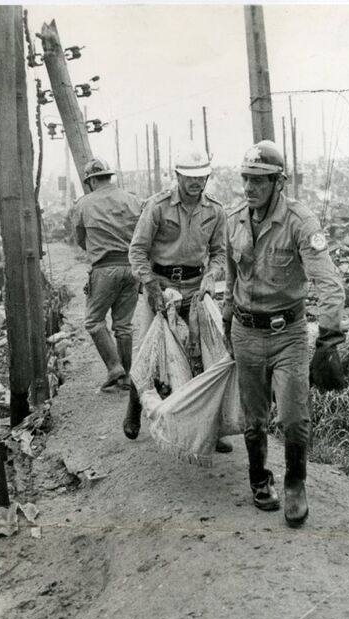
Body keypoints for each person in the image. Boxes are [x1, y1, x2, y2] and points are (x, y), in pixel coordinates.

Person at [222, 140, 346, 528]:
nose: (249, 187)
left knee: (293, 416)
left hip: (288, 334)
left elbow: (329, 282)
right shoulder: (235, 219)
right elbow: (231, 277)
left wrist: (329, 335)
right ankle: (260, 481)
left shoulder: (299, 221)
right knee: (254, 419)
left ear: (279, 182)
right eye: (246, 178)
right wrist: (228, 319)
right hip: (246, 332)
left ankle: (296, 484)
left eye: (259, 180)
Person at [125, 143, 232, 452]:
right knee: (148, 347)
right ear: (177, 176)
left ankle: (211, 425)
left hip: (196, 287)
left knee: (207, 355)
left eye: (201, 177)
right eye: (189, 177)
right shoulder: (158, 206)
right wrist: (150, 286)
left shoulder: (215, 210)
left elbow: (220, 254)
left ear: (208, 177)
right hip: (160, 284)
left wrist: (211, 278)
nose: (195, 182)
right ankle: (135, 405)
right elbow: (138, 250)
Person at [73, 158, 142, 392]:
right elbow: (145, 234)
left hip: (104, 268)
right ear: (109, 176)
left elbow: (80, 239)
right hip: (132, 267)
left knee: (93, 321)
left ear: (91, 181)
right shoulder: (133, 200)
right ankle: (125, 378)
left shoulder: (83, 204)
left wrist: (98, 249)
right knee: (123, 325)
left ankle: (114, 368)